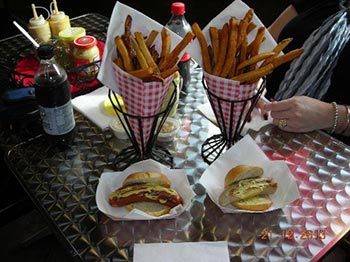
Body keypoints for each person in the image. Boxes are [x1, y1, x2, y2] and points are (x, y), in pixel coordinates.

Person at [261, 0, 350, 144]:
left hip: (326, 152)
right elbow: (264, 41)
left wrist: (329, 115)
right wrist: (251, 89)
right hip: (261, 122)